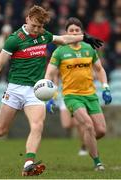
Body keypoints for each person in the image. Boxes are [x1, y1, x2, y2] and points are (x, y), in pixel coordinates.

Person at [0, 5, 103, 176]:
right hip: (14, 89)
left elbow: (63, 40)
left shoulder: (44, 34)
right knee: (0, 130)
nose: (36, 30)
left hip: (35, 91)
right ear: (27, 19)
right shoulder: (15, 39)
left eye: (39, 26)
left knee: (37, 125)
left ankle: (28, 163)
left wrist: (84, 37)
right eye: (34, 25)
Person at [45, 17, 112, 171]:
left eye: (77, 30)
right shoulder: (60, 51)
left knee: (101, 130)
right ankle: (97, 163)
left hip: (91, 94)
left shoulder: (89, 48)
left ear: (81, 32)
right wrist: (49, 96)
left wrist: (106, 87)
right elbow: (49, 74)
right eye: (71, 31)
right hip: (71, 96)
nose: (74, 33)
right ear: (66, 33)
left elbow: (100, 69)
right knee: (88, 125)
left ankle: (88, 143)